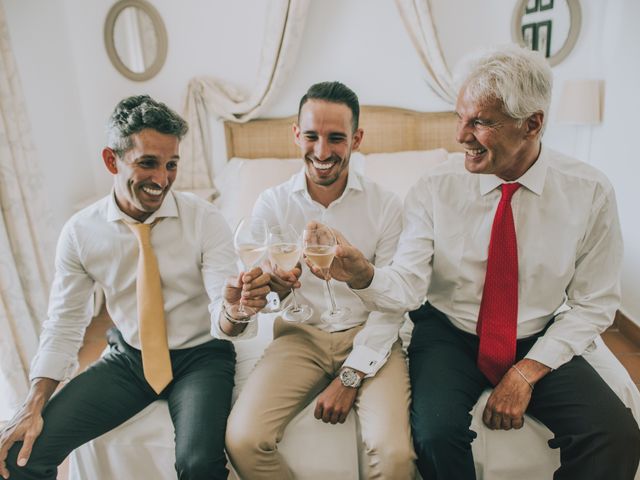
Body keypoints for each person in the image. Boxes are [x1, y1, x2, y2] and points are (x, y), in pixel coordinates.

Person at [320, 46, 640, 479]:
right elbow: (410, 286)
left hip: (536, 332)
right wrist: (364, 275)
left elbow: (594, 304)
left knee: (617, 435)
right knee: (434, 434)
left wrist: (528, 372)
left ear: (533, 124)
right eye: (459, 117)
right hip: (448, 333)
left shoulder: (590, 193)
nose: (460, 136)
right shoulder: (435, 187)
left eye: (480, 122)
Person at [0, 95, 270, 480]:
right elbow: (63, 325)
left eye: (171, 164)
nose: (162, 179)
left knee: (198, 465)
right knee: (20, 456)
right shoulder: (80, 233)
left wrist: (236, 310)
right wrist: (32, 403)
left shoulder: (206, 220)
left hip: (201, 358)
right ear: (112, 160)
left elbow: (222, 312)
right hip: (128, 360)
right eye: (148, 163)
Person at [223, 81, 416, 479]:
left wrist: (351, 375)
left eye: (336, 138)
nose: (322, 152)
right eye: (311, 136)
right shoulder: (272, 204)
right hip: (300, 336)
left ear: (357, 139)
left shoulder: (388, 206)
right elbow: (255, 291)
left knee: (395, 455)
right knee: (242, 439)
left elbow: (396, 301)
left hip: (371, 333)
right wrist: (271, 290)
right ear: (296, 134)